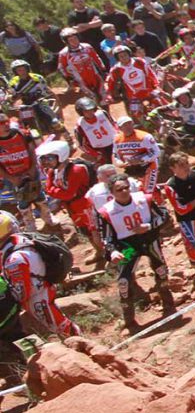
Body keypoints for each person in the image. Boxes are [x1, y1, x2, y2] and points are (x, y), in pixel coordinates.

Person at [97, 174, 175, 332]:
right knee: (124, 282)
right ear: (112, 192)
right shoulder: (106, 212)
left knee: (161, 270)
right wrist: (112, 252)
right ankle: (129, 320)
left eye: (126, 187)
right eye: (119, 189)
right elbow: (106, 238)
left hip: (148, 239)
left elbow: (165, 216)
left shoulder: (144, 199)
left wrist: (149, 226)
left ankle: (169, 304)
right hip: (128, 245)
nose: (124, 191)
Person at [0, 211, 82, 337]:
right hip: (39, 283)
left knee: (59, 325)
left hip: (37, 294)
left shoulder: (14, 259)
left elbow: (22, 293)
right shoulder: (19, 240)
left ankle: (81, 345)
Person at [0, 116, 54, 232]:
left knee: (39, 195)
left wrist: (32, 168)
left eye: (7, 122)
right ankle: (30, 224)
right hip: (13, 177)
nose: (6, 125)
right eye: (2, 123)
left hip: (30, 171)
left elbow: (31, 151)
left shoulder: (22, 134)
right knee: (22, 200)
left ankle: (47, 217)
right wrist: (10, 178)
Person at [7, 59, 61, 135]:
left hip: (40, 100)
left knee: (54, 121)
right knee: (24, 123)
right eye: (19, 70)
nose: (22, 72)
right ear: (15, 72)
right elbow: (12, 97)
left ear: (27, 69)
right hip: (26, 104)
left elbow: (45, 90)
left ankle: (66, 135)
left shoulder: (37, 78)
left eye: (23, 69)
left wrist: (45, 96)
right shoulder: (13, 83)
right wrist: (13, 97)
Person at [112, 116, 161, 194]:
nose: (128, 126)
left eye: (129, 124)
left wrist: (141, 160)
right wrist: (120, 163)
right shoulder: (117, 139)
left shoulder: (145, 137)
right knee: (133, 189)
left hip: (149, 167)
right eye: (125, 125)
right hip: (131, 168)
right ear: (120, 128)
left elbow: (156, 152)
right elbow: (116, 155)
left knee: (147, 191)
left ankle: (160, 204)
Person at [57, 28, 107, 100]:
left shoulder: (87, 47)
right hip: (80, 80)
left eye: (75, 38)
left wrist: (103, 69)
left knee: (103, 98)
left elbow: (96, 58)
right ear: (66, 42)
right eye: (71, 40)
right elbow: (61, 67)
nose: (74, 41)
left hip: (95, 75)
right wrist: (69, 78)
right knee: (92, 99)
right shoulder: (63, 53)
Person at [74, 97, 116, 165]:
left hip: (113, 142)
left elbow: (114, 124)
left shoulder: (103, 114)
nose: (90, 112)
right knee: (106, 166)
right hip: (99, 149)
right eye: (86, 111)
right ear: (81, 112)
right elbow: (81, 145)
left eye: (91, 110)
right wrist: (95, 154)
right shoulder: (80, 126)